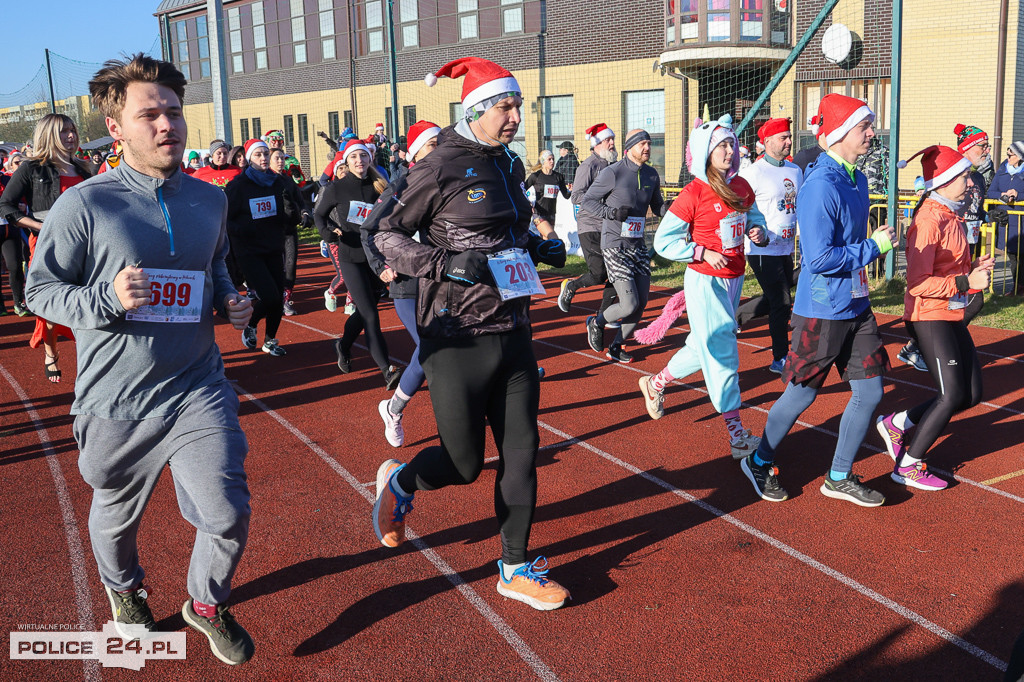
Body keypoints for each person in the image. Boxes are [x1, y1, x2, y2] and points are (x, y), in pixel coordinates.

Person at [25, 53, 255, 665]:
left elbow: (214, 266)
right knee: (114, 516)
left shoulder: (210, 199)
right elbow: (38, 292)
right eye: (148, 114)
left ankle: (205, 602)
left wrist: (231, 298)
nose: (166, 125)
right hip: (115, 399)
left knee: (227, 509)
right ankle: (124, 591)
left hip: (195, 384)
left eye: (174, 112)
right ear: (117, 125)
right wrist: (106, 296)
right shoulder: (85, 205)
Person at [372, 56, 570, 610]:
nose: (515, 115)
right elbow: (383, 236)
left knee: (523, 453)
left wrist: (540, 248)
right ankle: (402, 482)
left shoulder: (508, 163)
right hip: (455, 335)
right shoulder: (437, 166)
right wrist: (441, 263)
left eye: (517, 106)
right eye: (506, 106)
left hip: (513, 327)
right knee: (463, 465)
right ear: (477, 109)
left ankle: (515, 566)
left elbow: (510, 232)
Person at [739, 94, 896, 507]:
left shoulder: (857, 179)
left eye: (871, 125)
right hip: (822, 309)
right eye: (864, 126)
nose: (871, 132)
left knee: (871, 391)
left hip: (857, 304)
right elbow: (821, 257)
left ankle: (839, 475)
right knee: (802, 394)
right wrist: (873, 248)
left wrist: (871, 248)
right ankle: (759, 459)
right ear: (842, 133)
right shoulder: (820, 185)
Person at [638, 114, 767, 459]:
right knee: (723, 350)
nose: (729, 150)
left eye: (731, 144)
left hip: (735, 278)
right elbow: (664, 241)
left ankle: (655, 382)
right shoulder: (693, 192)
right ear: (706, 151)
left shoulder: (740, 186)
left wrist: (759, 231)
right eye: (721, 145)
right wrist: (700, 251)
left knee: (701, 347)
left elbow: (754, 217)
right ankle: (737, 434)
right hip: (706, 282)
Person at [875, 145, 993, 492]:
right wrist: (965, 282)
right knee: (951, 394)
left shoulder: (951, 214)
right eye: (963, 176)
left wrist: (973, 269)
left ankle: (897, 423)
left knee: (970, 395)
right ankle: (909, 464)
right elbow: (918, 283)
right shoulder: (928, 220)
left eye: (969, 175)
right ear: (942, 182)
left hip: (950, 312)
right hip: (927, 315)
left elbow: (949, 267)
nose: (970, 183)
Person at [362, 119, 441, 447]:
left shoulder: (451, 181)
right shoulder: (403, 185)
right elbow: (369, 229)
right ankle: (394, 408)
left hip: (443, 281)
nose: (441, 150)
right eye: (433, 145)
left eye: (442, 143)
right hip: (409, 284)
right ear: (416, 152)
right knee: (428, 349)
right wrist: (381, 265)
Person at [0, 113, 91, 382]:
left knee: (88, 302)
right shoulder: (31, 169)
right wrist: (41, 227)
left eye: (73, 130)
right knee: (52, 307)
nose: (71, 135)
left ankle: (90, 360)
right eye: (64, 131)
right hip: (47, 245)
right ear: (49, 134)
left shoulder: (85, 168)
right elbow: (6, 206)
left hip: (86, 246)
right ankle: (51, 353)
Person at [899, 123, 994, 370]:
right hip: (939, 279)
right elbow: (918, 280)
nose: (987, 151)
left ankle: (931, 344)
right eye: (982, 146)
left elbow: (972, 211)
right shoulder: (945, 186)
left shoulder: (975, 178)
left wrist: (987, 217)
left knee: (970, 302)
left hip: (962, 253)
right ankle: (923, 344)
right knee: (974, 301)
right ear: (968, 148)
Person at [314, 139, 402, 387]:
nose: (359, 161)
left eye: (363, 156)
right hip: (351, 257)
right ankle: (388, 369)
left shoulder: (380, 187)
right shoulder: (336, 188)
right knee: (372, 316)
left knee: (365, 313)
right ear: (346, 162)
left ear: (369, 159)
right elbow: (319, 214)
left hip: (375, 259)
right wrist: (327, 232)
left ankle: (343, 344)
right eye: (354, 157)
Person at [582, 128, 667, 363]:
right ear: (630, 148)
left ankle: (617, 345)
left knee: (641, 303)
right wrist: (611, 212)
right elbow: (587, 200)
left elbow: (657, 205)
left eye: (649, 143)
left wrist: (668, 210)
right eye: (643, 144)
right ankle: (596, 322)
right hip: (614, 244)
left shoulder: (651, 175)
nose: (648, 148)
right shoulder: (613, 172)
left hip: (637, 245)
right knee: (628, 303)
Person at [735, 117, 803, 373]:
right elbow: (740, 206)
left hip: (787, 246)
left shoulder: (795, 170)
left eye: (789, 136)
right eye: (783, 138)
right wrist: (752, 230)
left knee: (780, 294)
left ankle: (739, 316)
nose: (789, 141)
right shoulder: (753, 172)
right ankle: (780, 358)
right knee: (782, 302)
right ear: (767, 142)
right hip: (762, 248)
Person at [224, 138, 301, 357]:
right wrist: (245, 228)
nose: (264, 158)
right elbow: (226, 219)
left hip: (273, 247)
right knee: (271, 296)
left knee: (278, 297)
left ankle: (270, 340)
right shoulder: (238, 186)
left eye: (266, 153)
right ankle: (252, 323)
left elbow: (291, 218)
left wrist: (291, 209)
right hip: (248, 251)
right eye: (258, 154)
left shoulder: (279, 183)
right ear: (249, 159)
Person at [557, 123, 618, 317]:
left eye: (613, 139)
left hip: (610, 227)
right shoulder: (588, 166)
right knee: (599, 274)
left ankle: (604, 315)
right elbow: (576, 196)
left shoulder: (613, 166)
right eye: (608, 140)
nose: (612, 143)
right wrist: (601, 201)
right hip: (590, 226)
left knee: (617, 273)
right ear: (597, 143)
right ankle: (571, 286)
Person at [987, 140, 1024, 294]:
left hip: (1021, 221)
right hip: (1006, 221)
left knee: (1021, 256)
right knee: (1012, 256)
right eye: (1007, 153)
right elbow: (990, 192)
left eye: (1012, 154)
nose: (1008, 156)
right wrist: (1002, 195)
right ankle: (1017, 287)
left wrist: (1018, 195)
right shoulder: (1002, 169)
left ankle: (1019, 287)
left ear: (1020, 157)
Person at [525, 149, 569, 239]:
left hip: (551, 213)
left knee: (546, 240)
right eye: (549, 159)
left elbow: (566, 195)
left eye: (553, 159)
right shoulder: (535, 176)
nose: (552, 161)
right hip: (539, 214)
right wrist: (527, 203)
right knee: (553, 237)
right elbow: (522, 190)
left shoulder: (558, 177)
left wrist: (572, 190)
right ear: (543, 161)